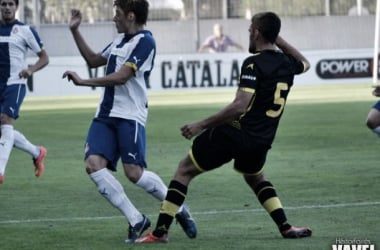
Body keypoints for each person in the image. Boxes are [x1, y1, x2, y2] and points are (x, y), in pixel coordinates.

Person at [136, 11, 312, 244]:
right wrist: (277, 39)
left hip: (235, 134)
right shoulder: (287, 63)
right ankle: (286, 226)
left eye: (251, 30)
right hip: (261, 139)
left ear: (257, 33)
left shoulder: (253, 64)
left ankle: (160, 232)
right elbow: (305, 63)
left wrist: (201, 124)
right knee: (255, 177)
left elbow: (240, 106)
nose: (249, 34)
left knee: (184, 170)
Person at [62, 0, 197, 243]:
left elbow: (123, 76)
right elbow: (93, 60)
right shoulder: (118, 40)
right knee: (93, 164)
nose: (115, 18)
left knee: (134, 173)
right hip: (105, 114)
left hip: (129, 116)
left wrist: (84, 82)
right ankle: (136, 219)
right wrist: (74, 30)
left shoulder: (145, 41)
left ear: (131, 16)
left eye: (118, 14)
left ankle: (179, 207)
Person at [0, 0, 48, 185]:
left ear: (16, 7)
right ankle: (37, 152)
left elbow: (44, 57)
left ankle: (0, 172)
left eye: (10, 4)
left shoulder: (25, 30)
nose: (6, 7)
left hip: (15, 83)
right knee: (4, 130)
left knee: (5, 120)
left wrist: (31, 70)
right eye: (3, 3)